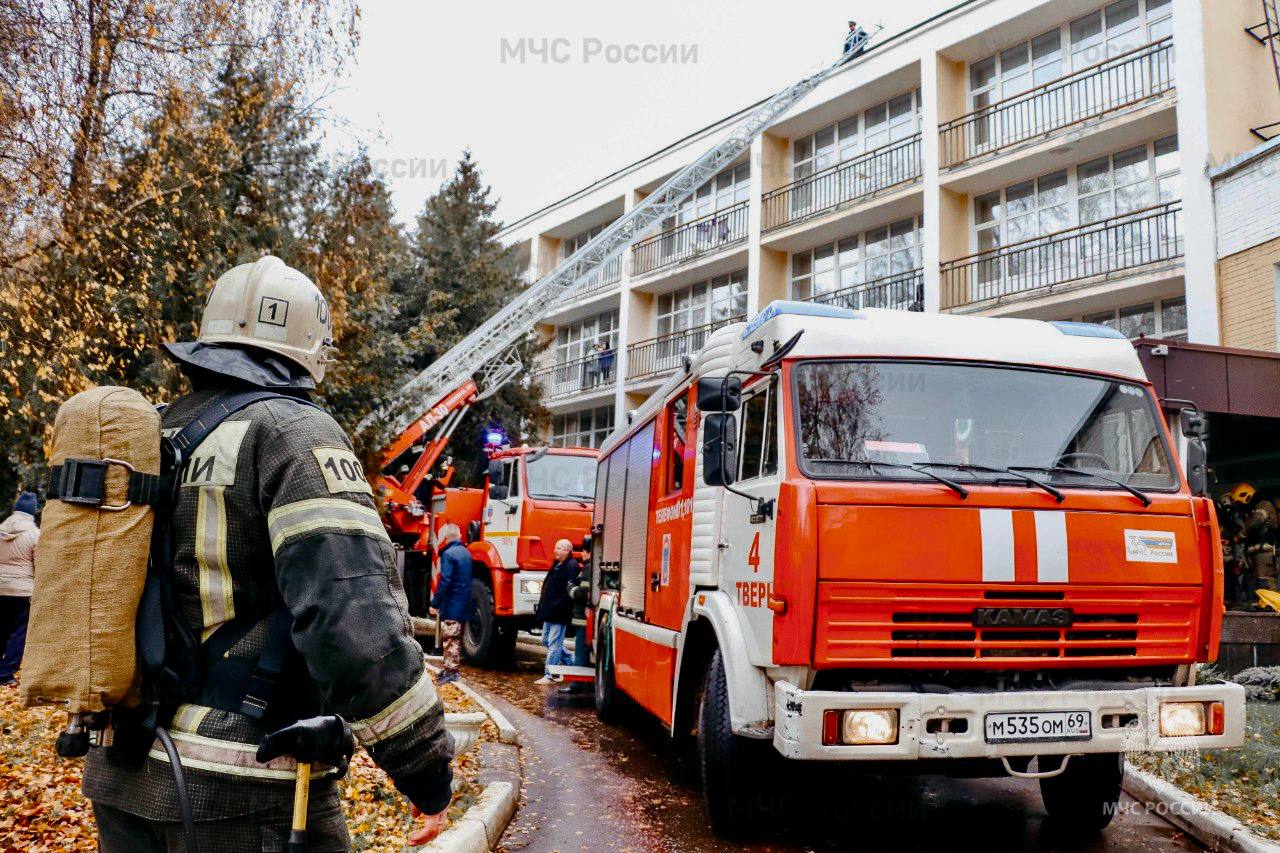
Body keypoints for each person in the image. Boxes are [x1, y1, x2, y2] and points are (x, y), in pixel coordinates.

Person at [82, 256, 454, 850]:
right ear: (310, 346)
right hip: (242, 791)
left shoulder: (152, 433)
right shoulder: (293, 434)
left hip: (121, 771)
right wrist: (427, 770)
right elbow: (354, 620)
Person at [0, 491, 39, 687]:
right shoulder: (34, 534)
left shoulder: (1, 529)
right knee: (18, 633)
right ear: (33, 512)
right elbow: (39, 563)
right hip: (22, 591)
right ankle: (5, 674)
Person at [430, 523, 474, 685]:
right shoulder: (466, 553)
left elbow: (446, 580)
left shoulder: (449, 554)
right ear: (460, 536)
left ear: (447, 538)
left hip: (452, 604)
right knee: (456, 638)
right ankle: (450, 669)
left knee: (450, 640)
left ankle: (451, 671)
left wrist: (435, 603)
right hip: (463, 603)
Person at [533, 539, 577, 686]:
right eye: (555, 547)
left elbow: (570, 591)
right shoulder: (557, 564)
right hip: (550, 611)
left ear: (567, 551)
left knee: (554, 643)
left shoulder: (571, 566)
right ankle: (571, 662)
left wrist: (557, 605)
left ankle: (551, 674)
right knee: (545, 640)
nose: (555, 550)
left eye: (558, 548)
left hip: (559, 612)